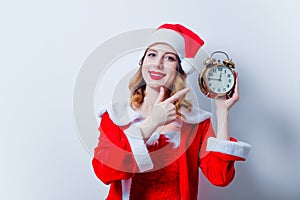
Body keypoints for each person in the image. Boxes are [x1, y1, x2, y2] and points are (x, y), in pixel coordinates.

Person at [92, 24, 251, 200]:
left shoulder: (195, 123)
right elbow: (104, 172)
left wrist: (222, 112)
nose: (158, 64)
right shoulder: (115, 116)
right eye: (152, 55)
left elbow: (220, 177)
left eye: (169, 58)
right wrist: (151, 123)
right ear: (142, 62)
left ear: (179, 69)